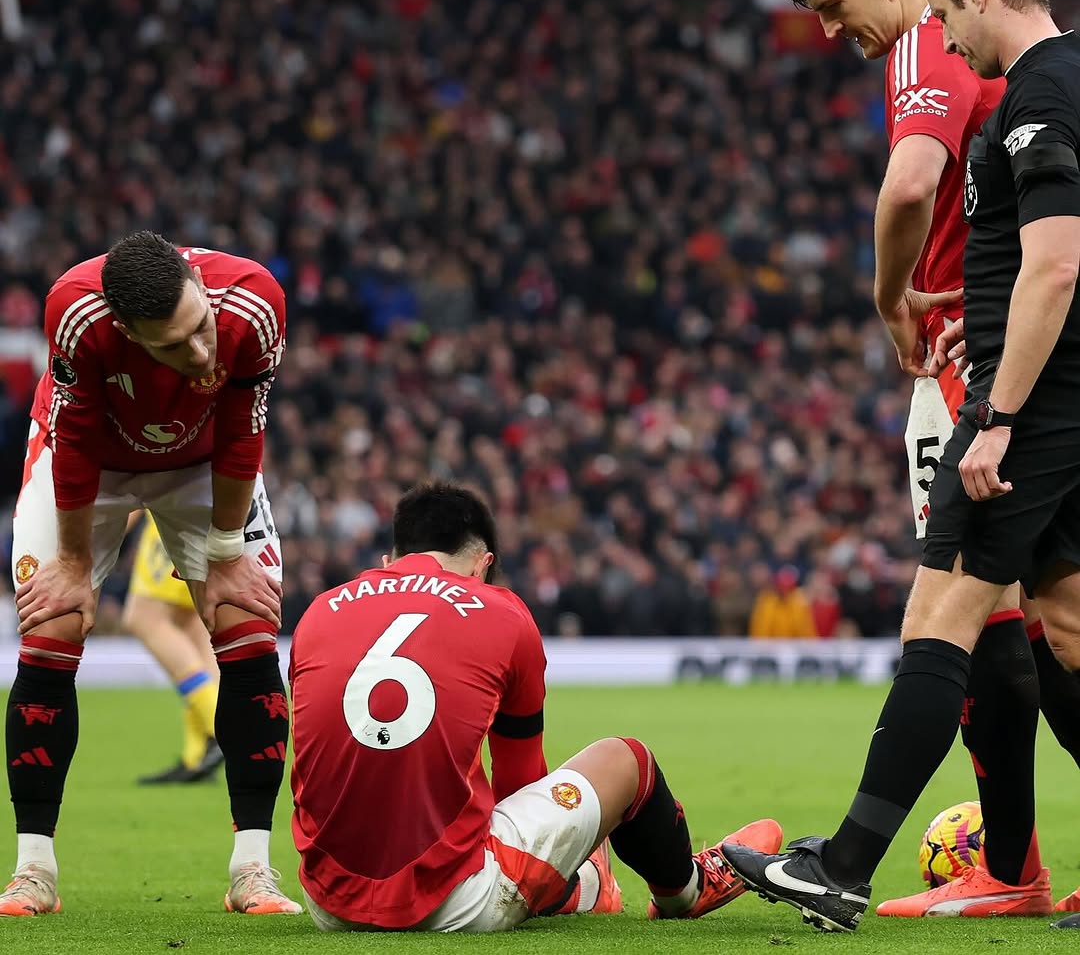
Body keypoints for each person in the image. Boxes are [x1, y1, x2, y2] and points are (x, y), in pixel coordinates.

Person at [723, 0, 1080, 933]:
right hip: (1019, 360)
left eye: (835, 8)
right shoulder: (1039, 77)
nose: (836, 33)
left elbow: (914, 183)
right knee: (1058, 623)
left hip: (999, 380)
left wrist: (894, 300)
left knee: (957, 619)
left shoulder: (936, 47)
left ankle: (882, 863)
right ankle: (1001, 864)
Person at [289, 480, 783, 933]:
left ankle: (583, 885)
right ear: (483, 564)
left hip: (329, 903)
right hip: (452, 900)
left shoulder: (320, 610)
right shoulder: (502, 610)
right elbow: (519, 782)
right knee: (628, 758)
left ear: (388, 558)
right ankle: (686, 889)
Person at [2, 231, 301, 917]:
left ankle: (253, 871)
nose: (198, 353)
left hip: (201, 463)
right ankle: (34, 873)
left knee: (247, 626)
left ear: (200, 289)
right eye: (170, 345)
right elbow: (73, 438)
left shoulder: (254, 302)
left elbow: (242, 428)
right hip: (92, 463)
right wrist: (75, 564)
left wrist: (226, 550)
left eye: (199, 328)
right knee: (51, 626)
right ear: (127, 332)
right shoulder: (77, 313)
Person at [123, 512, 223, 785]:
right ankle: (199, 755)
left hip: (171, 516)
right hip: (207, 518)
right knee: (191, 628)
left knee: (143, 618)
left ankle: (220, 726)